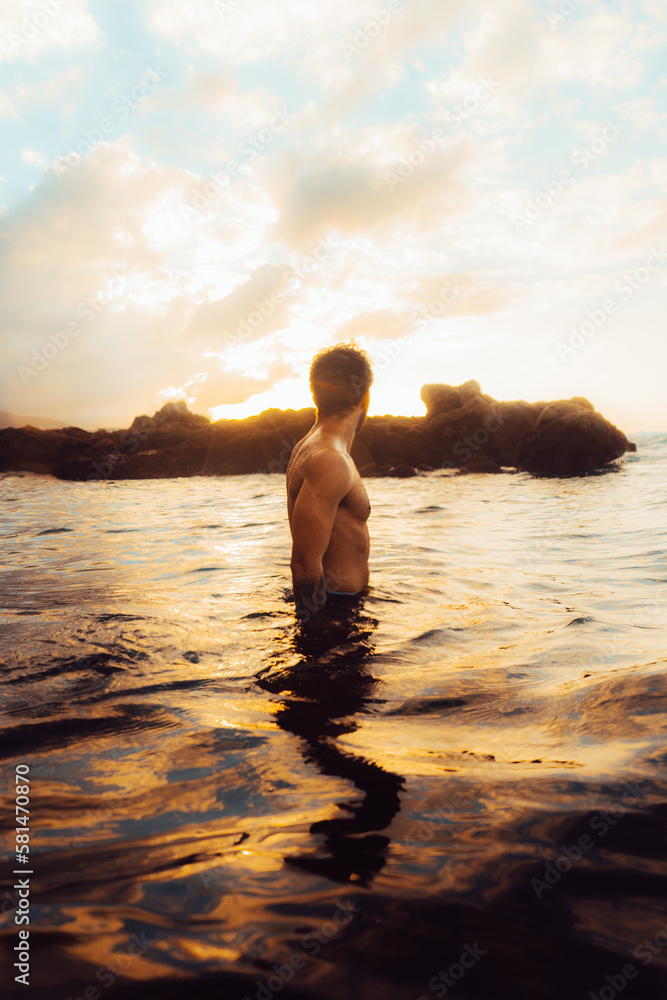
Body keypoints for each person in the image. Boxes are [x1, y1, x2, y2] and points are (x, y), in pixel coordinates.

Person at [286, 342, 373, 621]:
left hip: (338, 609)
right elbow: (304, 566)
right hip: (334, 616)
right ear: (365, 397)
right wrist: (314, 637)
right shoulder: (330, 460)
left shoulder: (310, 447)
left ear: (315, 395)